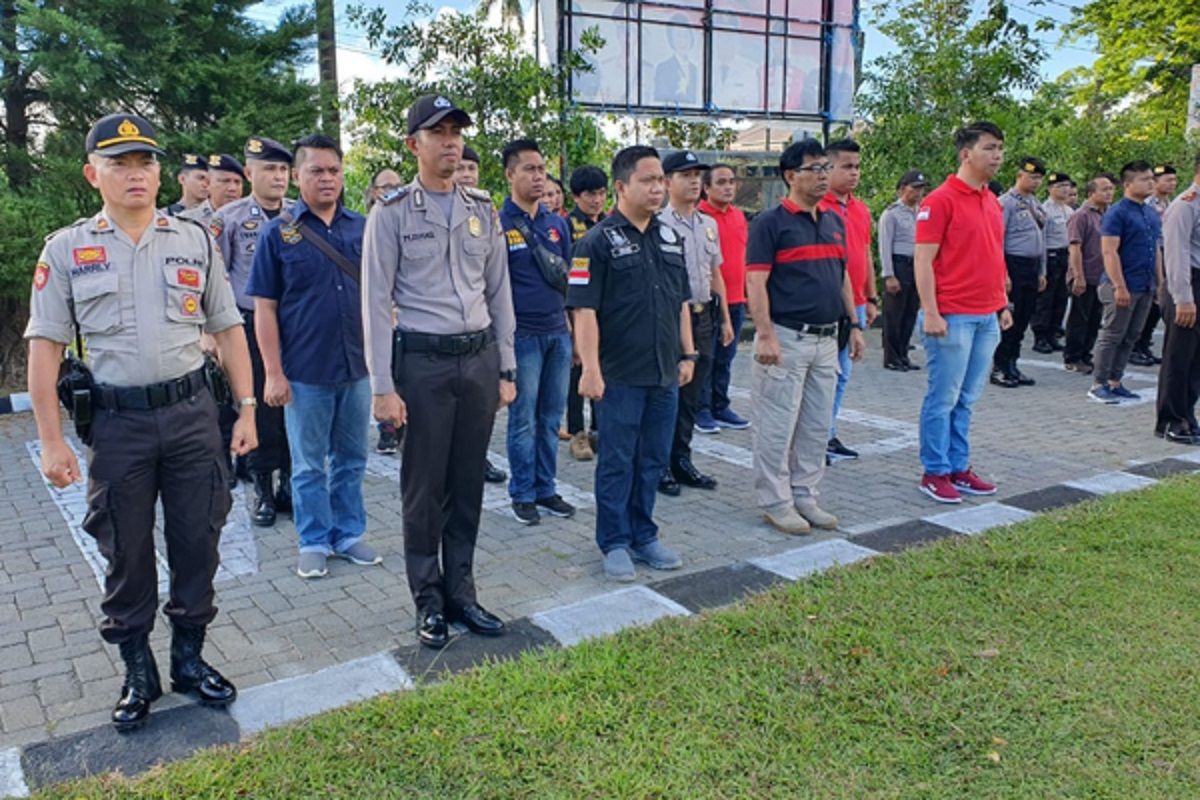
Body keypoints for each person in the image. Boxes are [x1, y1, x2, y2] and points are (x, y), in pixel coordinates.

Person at [25, 113, 256, 730]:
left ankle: (188, 660)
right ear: (91, 173)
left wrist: (248, 409)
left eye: (145, 162)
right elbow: (44, 351)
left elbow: (228, 329)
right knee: (124, 550)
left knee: (198, 541)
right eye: (119, 163)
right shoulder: (67, 249)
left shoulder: (193, 239)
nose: (135, 174)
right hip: (119, 425)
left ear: (160, 173)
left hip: (191, 417)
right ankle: (137, 669)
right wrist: (51, 442)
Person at [362, 94, 516, 648]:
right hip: (422, 365)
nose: (450, 141)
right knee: (424, 490)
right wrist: (383, 387)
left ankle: (463, 595)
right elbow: (376, 303)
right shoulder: (393, 212)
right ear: (414, 144)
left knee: (468, 484)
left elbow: (499, 292)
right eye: (438, 132)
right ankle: (428, 601)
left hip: (477, 361)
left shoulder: (483, 208)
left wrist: (507, 366)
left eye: (456, 131)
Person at [248, 134, 380, 579]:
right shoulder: (277, 234)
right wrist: (273, 373)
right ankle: (313, 540)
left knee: (351, 459)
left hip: (358, 367)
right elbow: (264, 308)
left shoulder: (363, 227)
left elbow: (381, 297)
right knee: (306, 465)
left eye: (334, 170)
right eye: (316, 171)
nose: (327, 178)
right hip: (305, 371)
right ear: (298, 177)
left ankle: (348, 534)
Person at [568, 145, 695, 581]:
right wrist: (590, 368)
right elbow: (584, 309)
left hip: (663, 372)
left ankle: (644, 535)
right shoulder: (595, 242)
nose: (658, 187)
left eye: (660, 179)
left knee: (653, 459)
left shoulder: (668, 236)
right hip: (618, 375)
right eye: (648, 180)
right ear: (621, 187)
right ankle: (615, 541)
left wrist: (688, 352)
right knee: (618, 460)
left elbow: (680, 300)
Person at [746, 138, 865, 534]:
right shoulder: (769, 223)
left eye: (824, 168)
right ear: (790, 176)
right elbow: (756, 281)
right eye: (813, 168)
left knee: (816, 426)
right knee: (777, 425)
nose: (821, 176)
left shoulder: (833, 221)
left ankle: (805, 496)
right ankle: (775, 501)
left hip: (827, 340)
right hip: (786, 338)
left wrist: (855, 324)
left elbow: (843, 276)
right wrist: (764, 334)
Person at [914, 121, 1013, 503]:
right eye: (989, 148)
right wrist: (931, 311)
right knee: (943, 397)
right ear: (966, 153)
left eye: (1000, 148)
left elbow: (994, 252)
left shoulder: (990, 199)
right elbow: (923, 261)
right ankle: (934, 471)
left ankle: (959, 466)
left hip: (987, 315)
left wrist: (1001, 303)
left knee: (967, 398)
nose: (997, 156)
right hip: (951, 315)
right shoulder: (940, 200)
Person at [212, 136, 296, 527]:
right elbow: (217, 279)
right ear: (249, 173)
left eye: (283, 169)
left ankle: (289, 486)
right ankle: (263, 488)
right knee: (260, 408)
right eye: (269, 169)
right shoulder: (228, 219)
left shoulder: (300, 215)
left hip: (294, 326)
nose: (278, 177)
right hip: (248, 326)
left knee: (294, 406)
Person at [497, 138, 576, 524]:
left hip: (559, 333)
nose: (538, 176)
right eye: (529, 169)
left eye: (542, 169)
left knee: (550, 417)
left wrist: (574, 331)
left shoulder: (557, 223)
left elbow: (575, 281)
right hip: (521, 337)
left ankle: (547, 488)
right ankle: (522, 493)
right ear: (510, 174)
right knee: (523, 418)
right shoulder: (497, 223)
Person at [656, 150, 733, 496]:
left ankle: (681, 459)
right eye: (685, 175)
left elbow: (714, 271)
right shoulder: (658, 224)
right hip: (671, 320)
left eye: (697, 175)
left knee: (692, 395)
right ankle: (658, 466)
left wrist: (727, 319)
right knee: (667, 393)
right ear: (667, 181)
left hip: (704, 317)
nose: (693, 181)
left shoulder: (708, 224)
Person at [818, 138, 878, 463]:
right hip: (826, 303)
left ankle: (827, 433)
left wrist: (870, 296)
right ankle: (814, 436)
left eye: (857, 167)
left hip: (854, 303)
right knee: (823, 374)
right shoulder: (818, 207)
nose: (854, 173)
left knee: (842, 373)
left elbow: (865, 252)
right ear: (828, 168)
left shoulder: (860, 209)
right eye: (846, 166)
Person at [451, 144, 507, 485]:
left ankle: (479, 458)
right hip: (441, 338)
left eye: (472, 168)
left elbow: (497, 281)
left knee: (479, 413)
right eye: (461, 168)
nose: (467, 174)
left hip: (482, 331)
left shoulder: (487, 213)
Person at [1088, 161, 1163, 404]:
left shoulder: (1150, 212)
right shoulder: (1117, 212)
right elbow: (1109, 252)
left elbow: (1156, 250)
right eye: (1145, 179)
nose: (1151, 183)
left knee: (1131, 335)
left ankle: (1115, 381)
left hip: (1145, 284)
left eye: (1152, 178)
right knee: (1112, 334)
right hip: (1121, 284)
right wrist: (1119, 285)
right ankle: (1098, 382)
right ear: (1128, 184)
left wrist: (1160, 282)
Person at [698, 162, 752, 430]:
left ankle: (721, 406)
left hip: (735, 300)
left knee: (726, 358)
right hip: (708, 301)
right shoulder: (699, 218)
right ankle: (702, 408)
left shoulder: (738, 216)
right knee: (706, 358)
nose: (728, 187)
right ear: (706, 188)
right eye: (720, 182)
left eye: (731, 181)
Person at [564, 164, 608, 461]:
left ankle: (599, 431)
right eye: (590, 194)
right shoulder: (566, 227)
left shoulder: (611, 224)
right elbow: (568, 280)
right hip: (578, 310)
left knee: (604, 374)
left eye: (602, 193)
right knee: (578, 376)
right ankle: (578, 434)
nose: (597, 200)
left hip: (607, 314)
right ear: (577, 197)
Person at [992, 157, 1047, 388]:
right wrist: (1002, 274)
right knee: (1010, 320)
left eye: (1038, 178)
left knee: (1024, 318)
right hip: (1013, 265)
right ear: (1019, 175)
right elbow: (998, 240)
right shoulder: (1006, 203)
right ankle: (999, 367)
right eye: (1031, 176)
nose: (1035, 182)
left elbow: (1041, 238)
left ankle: (1013, 364)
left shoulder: (1035, 204)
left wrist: (1042, 270)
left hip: (1032, 267)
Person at [1156, 156, 1200, 443]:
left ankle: (1187, 413)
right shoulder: (1185, 205)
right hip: (1188, 285)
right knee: (1179, 355)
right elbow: (1176, 255)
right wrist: (1183, 298)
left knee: (1196, 358)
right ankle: (1170, 419)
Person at [364, 167, 404, 456]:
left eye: (397, 185)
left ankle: (401, 422)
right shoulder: (364, 224)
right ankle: (387, 429)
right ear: (374, 191)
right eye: (385, 186)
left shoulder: (408, 221)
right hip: (376, 312)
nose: (391, 190)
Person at [1062, 173, 1116, 373]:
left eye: (1111, 189)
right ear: (1092, 193)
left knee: (1095, 319)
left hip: (1103, 277)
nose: (1110, 192)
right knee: (1080, 318)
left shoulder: (1110, 214)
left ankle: (1086, 354)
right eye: (1105, 189)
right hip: (1084, 274)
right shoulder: (1081, 216)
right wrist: (1078, 276)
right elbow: (1075, 248)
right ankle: (1073, 356)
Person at [879, 169, 927, 371]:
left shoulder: (922, 212)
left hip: (915, 265)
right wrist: (889, 274)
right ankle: (891, 357)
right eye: (914, 188)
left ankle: (903, 355)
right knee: (894, 315)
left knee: (910, 313)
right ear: (901, 189)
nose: (918, 193)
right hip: (898, 265)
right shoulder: (891, 214)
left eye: (921, 189)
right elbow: (885, 245)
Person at [1132, 164, 1179, 366]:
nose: (1172, 184)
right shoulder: (1148, 205)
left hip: (1168, 255)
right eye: (1167, 180)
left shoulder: (1171, 203)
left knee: (1159, 304)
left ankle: (1144, 344)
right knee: (1149, 303)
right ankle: (1135, 346)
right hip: (1152, 255)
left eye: (1174, 180)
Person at [1031, 171, 1073, 354]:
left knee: (1061, 298)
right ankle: (1040, 336)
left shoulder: (1069, 210)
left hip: (1065, 255)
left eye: (1067, 186)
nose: (1064, 190)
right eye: (1060, 186)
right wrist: (1042, 268)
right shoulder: (1044, 209)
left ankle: (1053, 334)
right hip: (1050, 256)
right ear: (1050, 189)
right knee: (1045, 299)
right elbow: (1041, 239)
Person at [180, 154, 244, 225]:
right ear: (208, 184)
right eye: (225, 181)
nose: (233, 188)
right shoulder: (187, 221)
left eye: (237, 182)